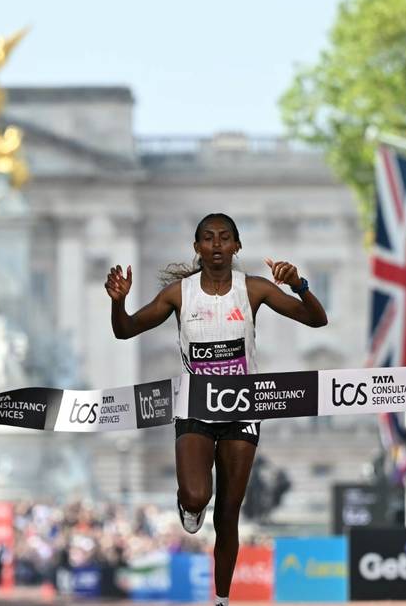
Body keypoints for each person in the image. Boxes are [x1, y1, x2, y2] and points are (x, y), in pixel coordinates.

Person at [106, 212, 327, 606]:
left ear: (236, 246)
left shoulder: (254, 288)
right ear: (197, 248)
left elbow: (316, 319)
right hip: (195, 406)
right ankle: (189, 505)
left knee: (228, 514)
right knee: (195, 496)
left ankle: (222, 600)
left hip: (243, 409)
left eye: (225, 238)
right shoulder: (179, 294)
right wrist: (118, 303)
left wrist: (299, 285)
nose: (217, 244)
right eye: (208, 238)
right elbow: (125, 330)